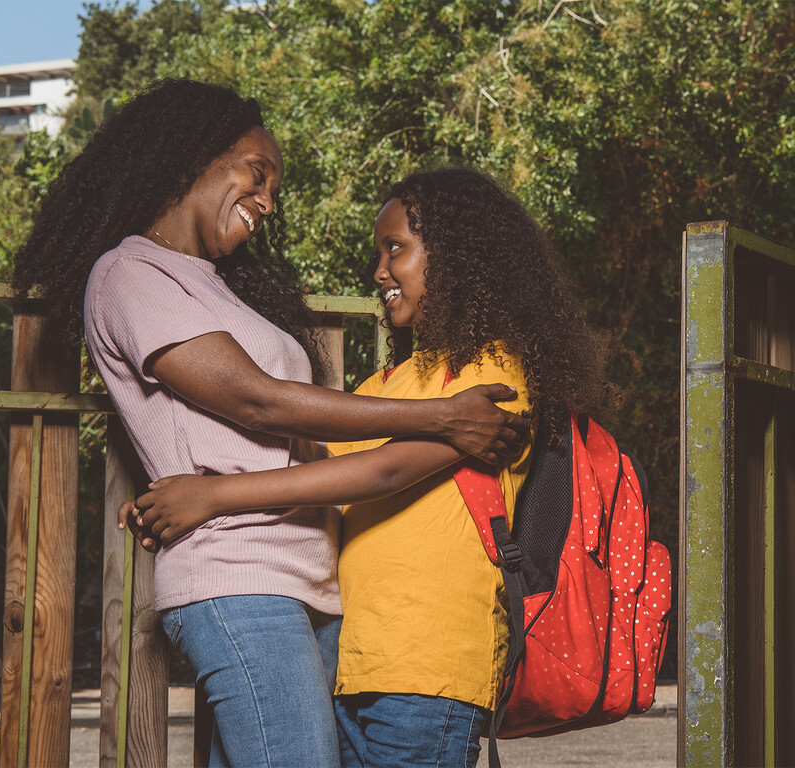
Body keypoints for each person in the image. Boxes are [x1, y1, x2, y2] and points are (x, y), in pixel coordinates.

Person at [10, 81, 529, 768]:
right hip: (239, 576)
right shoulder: (131, 273)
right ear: (193, 158)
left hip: (305, 580)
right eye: (259, 174)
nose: (269, 201)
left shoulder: (214, 284)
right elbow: (256, 401)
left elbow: (296, 452)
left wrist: (212, 489)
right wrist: (443, 415)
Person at [125, 167, 611, 767]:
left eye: (396, 249)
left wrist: (213, 498)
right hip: (354, 666)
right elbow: (311, 475)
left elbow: (382, 471)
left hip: (432, 672)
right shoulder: (386, 385)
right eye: (378, 252)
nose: (380, 270)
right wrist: (173, 496)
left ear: (458, 256)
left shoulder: (495, 376)